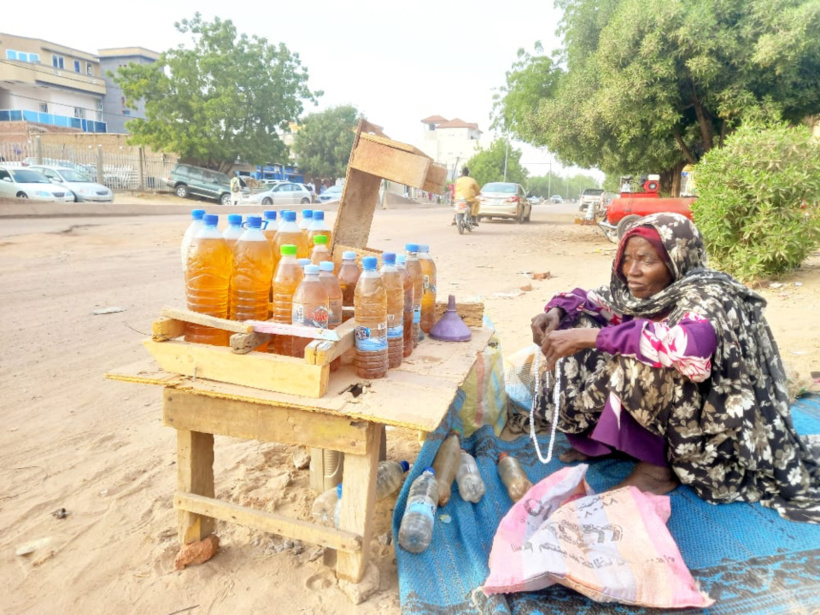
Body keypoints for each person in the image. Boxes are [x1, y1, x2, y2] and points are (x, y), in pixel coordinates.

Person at [530, 213, 819, 522]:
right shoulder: (642, 293)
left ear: (676, 260)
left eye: (646, 261)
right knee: (579, 322)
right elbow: (590, 298)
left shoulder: (709, 295)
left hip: (707, 429)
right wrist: (558, 313)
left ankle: (657, 470)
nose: (632, 271)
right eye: (626, 259)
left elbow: (691, 346)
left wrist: (594, 338)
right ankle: (603, 439)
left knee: (640, 349)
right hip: (666, 406)